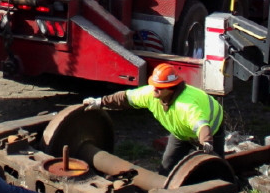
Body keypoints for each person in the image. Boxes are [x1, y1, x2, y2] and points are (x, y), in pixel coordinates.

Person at [85, 62, 224, 174]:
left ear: (170, 89)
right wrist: (100, 102)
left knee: (215, 167)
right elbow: (125, 98)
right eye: (154, 85)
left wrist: (206, 142)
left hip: (211, 129)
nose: (154, 89)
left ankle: (228, 187)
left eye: (159, 87)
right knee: (167, 165)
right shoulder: (151, 94)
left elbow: (201, 125)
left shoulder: (185, 105)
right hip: (181, 133)